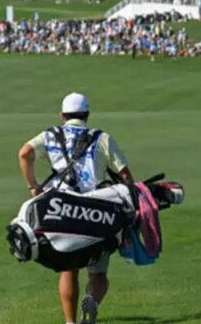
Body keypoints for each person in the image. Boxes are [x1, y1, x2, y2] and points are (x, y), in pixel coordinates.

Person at [17, 93, 133, 324]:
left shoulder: (50, 135)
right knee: (99, 273)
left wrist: (33, 187)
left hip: (62, 211)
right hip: (96, 210)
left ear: (62, 115)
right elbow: (125, 176)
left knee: (68, 269)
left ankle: (70, 322)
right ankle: (93, 301)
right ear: (87, 115)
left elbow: (24, 153)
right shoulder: (101, 138)